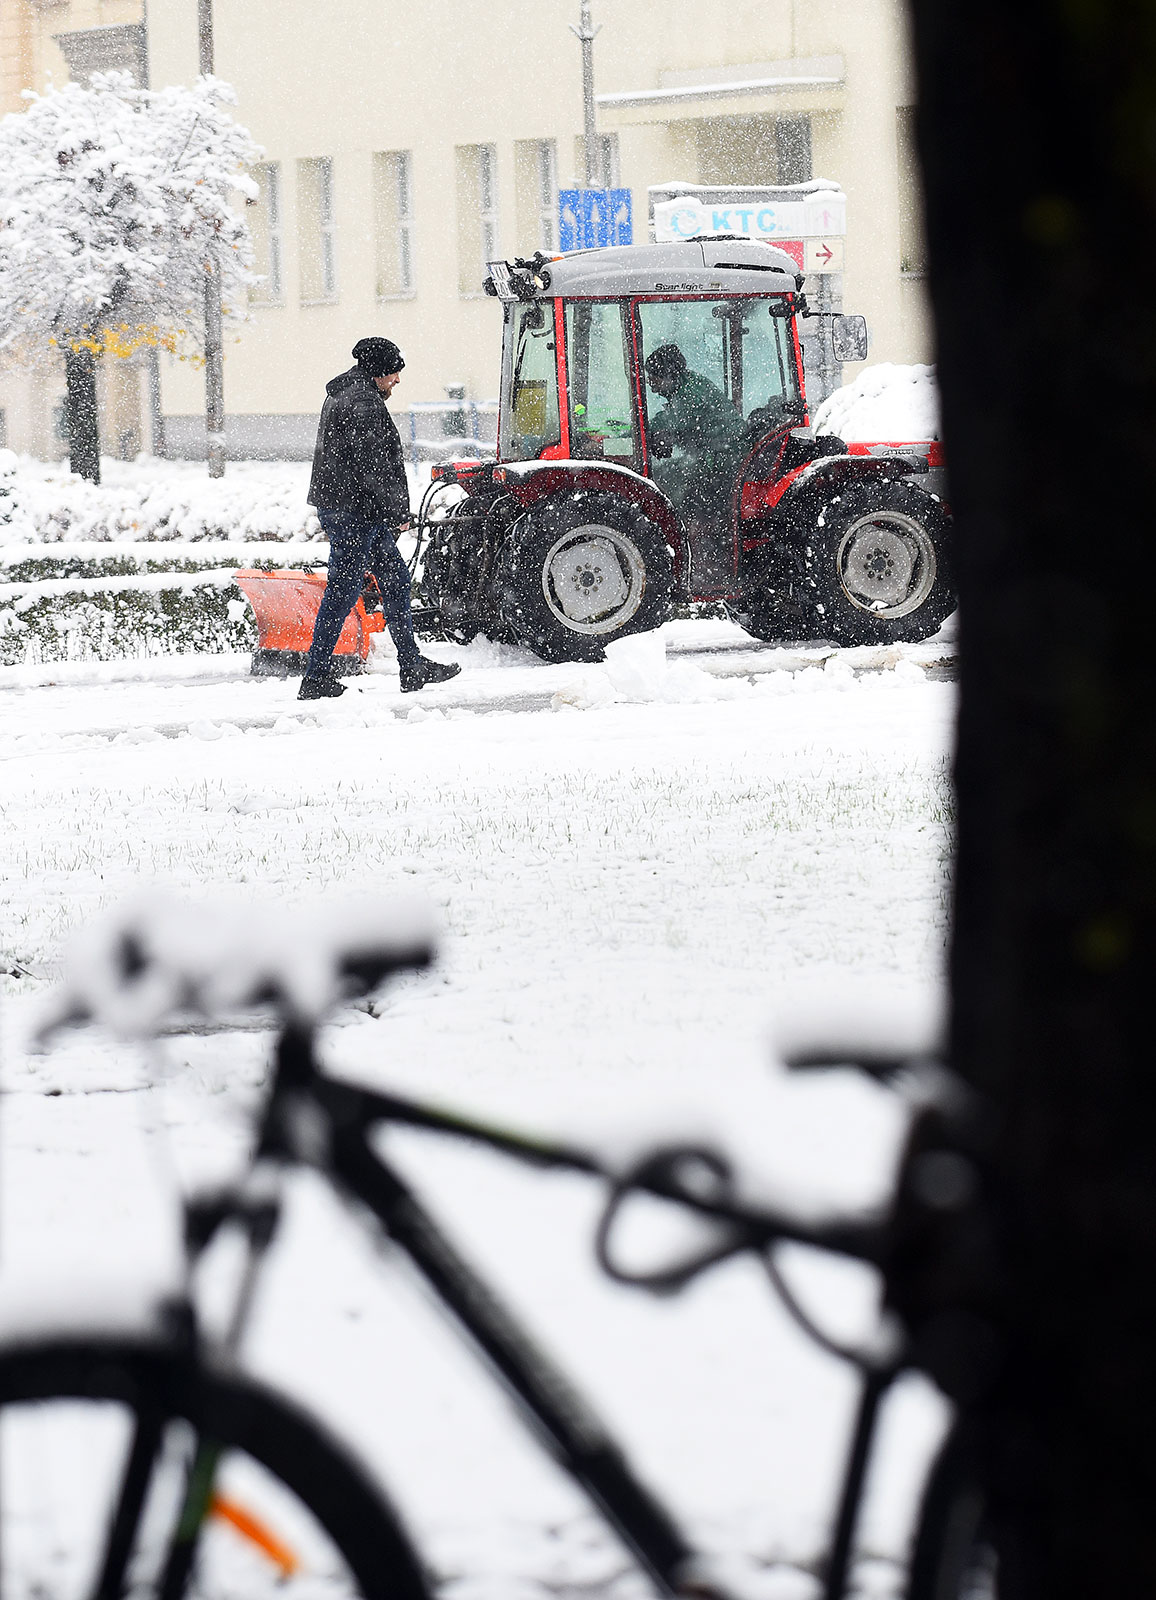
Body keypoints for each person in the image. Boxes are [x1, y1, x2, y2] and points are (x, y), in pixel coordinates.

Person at [299, 336, 461, 700]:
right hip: (355, 512)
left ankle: (411, 666)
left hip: (351, 509)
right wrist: (397, 514)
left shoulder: (344, 394)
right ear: (378, 372)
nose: (397, 380)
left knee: (396, 580)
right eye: (394, 373)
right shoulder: (363, 402)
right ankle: (316, 677)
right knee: (343, 592)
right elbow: (375, 467)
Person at [643, 344, 745, 524]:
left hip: (727, 458)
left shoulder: (690, 394)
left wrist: (637, 431)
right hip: (719, 454)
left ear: (668, 376)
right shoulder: (685, 387)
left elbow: (670, 423)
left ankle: (689, 529)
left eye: (654, 379)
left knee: (670, 482)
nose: (651, 385)